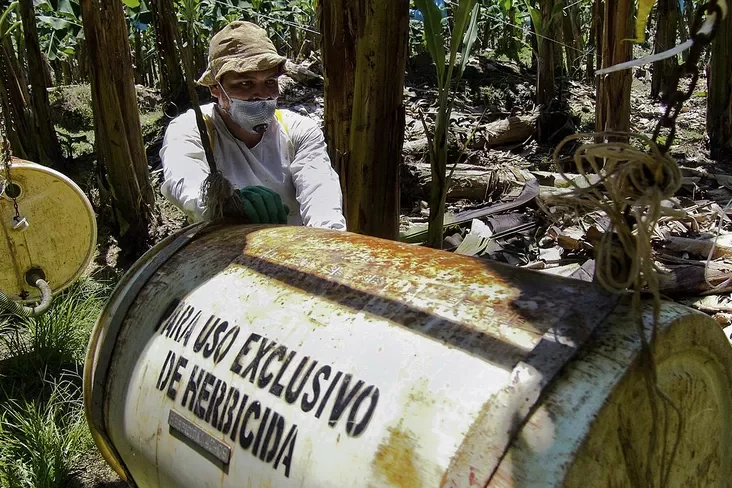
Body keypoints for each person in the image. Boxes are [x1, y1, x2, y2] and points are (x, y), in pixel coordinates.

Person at [160, 21, 346, 230]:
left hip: (291, 247)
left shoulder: (298, 130)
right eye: (245, 83)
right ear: (215, 89)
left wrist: (329, 239)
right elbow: (184, 181)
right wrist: (228, 205)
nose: (261, 95)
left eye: (269, 82)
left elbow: (321, 193)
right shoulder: (193, 128)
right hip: (224, 250)